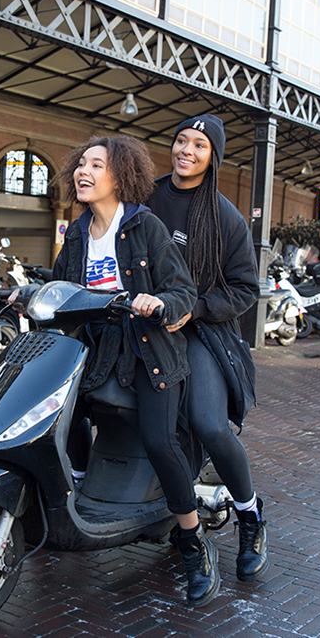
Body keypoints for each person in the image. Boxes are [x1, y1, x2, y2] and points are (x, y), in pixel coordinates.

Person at [51, 134, 220, 607]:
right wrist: (27, 293)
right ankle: (80, 488)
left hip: (149, 352)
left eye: (96, 165)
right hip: (95, 352)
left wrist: (159, 301)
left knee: (159, 441)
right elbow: (62, 287)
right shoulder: (78, 232)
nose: (83, 172)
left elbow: (183, 292)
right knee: (60, 415)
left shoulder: (145, 227)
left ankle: (193, 543)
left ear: (119, 176)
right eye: (80, 164)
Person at [146, 114, 270, 582]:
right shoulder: (146, 195)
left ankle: (251, 516)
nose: (187, 150)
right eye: (181, 140)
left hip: (199, 331)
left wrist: (195, 309)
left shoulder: (225, 216)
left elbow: (245, 289)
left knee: (209, 425)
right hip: (140, 324)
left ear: (212, 156)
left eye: (199, 145)